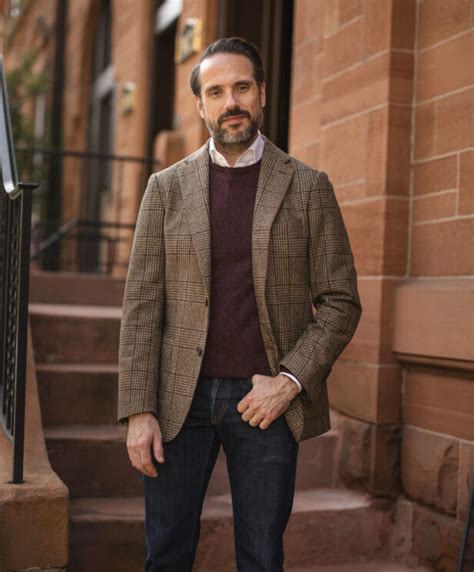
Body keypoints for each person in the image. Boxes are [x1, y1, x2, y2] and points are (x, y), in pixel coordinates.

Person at [118, 37, 362, 572]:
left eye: (241, 87)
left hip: (265, 403)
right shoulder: (165, 189)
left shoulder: (307, 188)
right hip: (177, 402)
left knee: (261, 557)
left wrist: (290, 380)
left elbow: (342, 302)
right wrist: (139, 411)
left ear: (263, 95)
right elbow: (141, 308)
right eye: (216, 91)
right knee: (166, 554)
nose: (231, 102)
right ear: (201, 105)